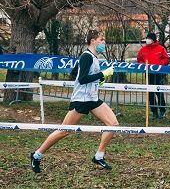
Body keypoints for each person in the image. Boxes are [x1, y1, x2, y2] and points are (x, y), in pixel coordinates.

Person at [30, 30, 118, 173]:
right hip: (81, 100)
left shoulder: (94, 58)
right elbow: (82, 79)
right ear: (93, 40)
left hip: (92, 98)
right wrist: (102, 74)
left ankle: (99, 155)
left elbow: (74, 74)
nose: (104, 42)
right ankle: (36, 155)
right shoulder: (86, 57)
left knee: (113, 124)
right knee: (64, 131)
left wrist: (98, 80)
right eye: (101, 39)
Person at [137, 32, 170, 119]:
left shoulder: (160, 48)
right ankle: (154, 112)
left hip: (158, 74)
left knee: (159, 93)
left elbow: (166, 59)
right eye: (147, 38)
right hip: (148, 74)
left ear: (153, 40)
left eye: (149, 38)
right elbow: (139, 59)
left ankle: (162, 111)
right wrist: (143, 65)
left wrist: (159, 65)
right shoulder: (143, 49)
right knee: (150, 94)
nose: (147, 40)